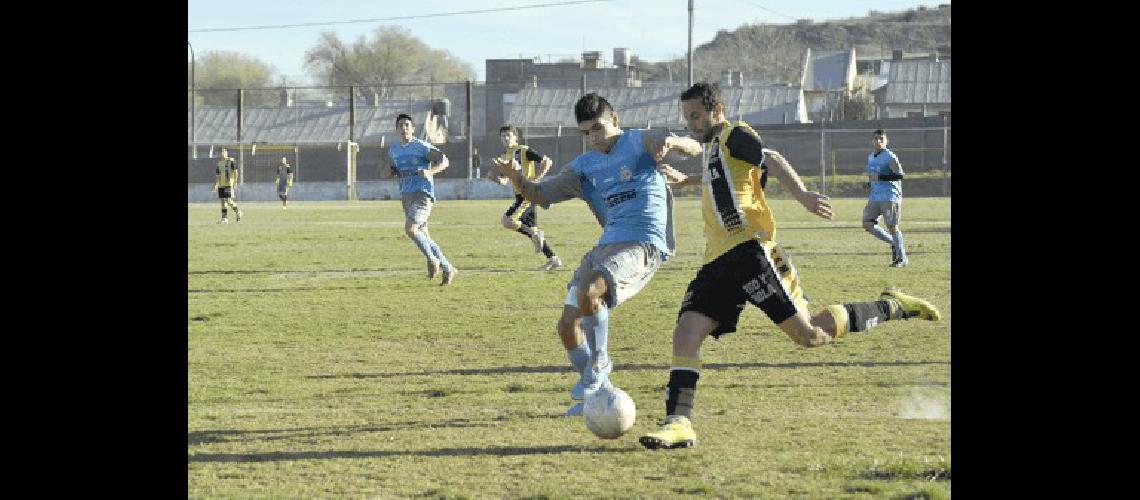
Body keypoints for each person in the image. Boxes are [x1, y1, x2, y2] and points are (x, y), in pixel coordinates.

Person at [638, 82, 942, 450]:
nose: (692, 124)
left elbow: (773, 158)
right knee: (686, 333)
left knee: (810, 334)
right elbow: (721, 176)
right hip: (717, 259)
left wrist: (803, 196)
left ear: (717, 109)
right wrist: (687, 177)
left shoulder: (735, 135)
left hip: (752, 253)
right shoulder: (715, 146)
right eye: (687, 118)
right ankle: (679, 423)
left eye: (697, 116)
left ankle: (891, 305)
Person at [502, 93, 701, 415]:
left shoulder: (640, 141)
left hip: (642, 244)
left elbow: (696, 148)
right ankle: (598, 393)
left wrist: (675, 142)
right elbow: (538, 194)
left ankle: (600, 362)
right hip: (606, 246)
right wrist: (516, 178)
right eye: (586, 132)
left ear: (616, 121)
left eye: (598, 128)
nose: (594, 138)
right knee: (567, 326)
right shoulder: (584, 167)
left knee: (592, 291)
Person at [382, 113, 457, 285]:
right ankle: (448, 267)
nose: (404, 128)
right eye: (400, 125)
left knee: (410, 229)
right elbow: (390, 171)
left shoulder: (421, 146)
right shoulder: (394, 150)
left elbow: (444, 161)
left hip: (423, 194)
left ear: (413, 129)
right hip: (406, 195)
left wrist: (430, 172)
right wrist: (388, 172)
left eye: (407, 125)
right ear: (396, 129)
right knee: (424, 235)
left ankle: (433, 260)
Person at [488, 124, 562, 270]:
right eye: (503, 136)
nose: (505, 139)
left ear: (516, 137)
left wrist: (536, 179)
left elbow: (547, 161)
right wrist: (495, 178)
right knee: (531, 229)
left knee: (507, 220)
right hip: (519, 195)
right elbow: (504, 181)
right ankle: (553, 258)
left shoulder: (523, 150)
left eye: (508, 135)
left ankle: (536, 235)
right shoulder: (504, 156)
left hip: (527, 194)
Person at [862, 129, 908, 267]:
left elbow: (899, 175)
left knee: (892, 227)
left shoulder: (890, 156)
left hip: (890, 196)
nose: (878, 141)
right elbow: (874, 175)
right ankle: (894, 243)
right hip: (875, 196)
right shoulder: (871, 157)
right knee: (867, 224)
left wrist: (880, 177)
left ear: (886, 141)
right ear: (872, 141)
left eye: (881, 139)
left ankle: (902, 258)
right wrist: (869, 184)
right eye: (875, 138)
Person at [213, 148, 242, 223]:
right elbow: (218, 175)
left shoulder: (231, 160)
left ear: (226, 152)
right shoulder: (219, 164)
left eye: (223, 151)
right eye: (220, 152)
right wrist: (216, 184)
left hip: (229, 184)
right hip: (221, 185)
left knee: (228, 200)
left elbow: (236, 172)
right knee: (223, 202)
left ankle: (238, 212)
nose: (222, 153)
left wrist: (235, 183)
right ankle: (224, 219)